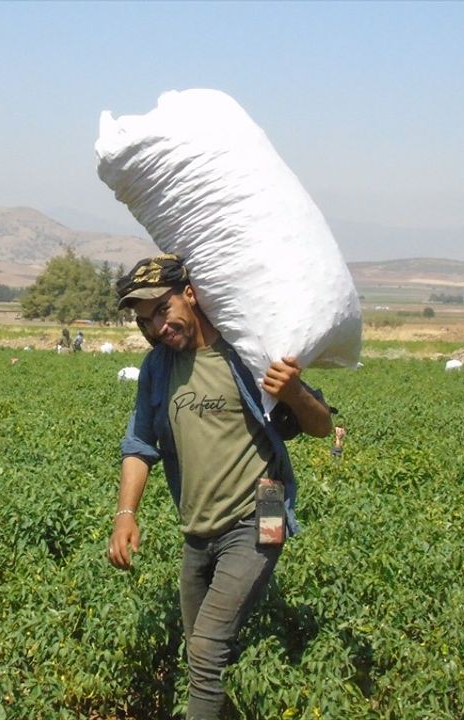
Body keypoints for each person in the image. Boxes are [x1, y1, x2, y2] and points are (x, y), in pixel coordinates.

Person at [106, 254, 333, 719]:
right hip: (197, 528)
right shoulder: (158, 369)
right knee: (202, 653)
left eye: (162, 310)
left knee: (207, 648)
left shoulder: (244, 354)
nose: (157, 327)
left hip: (261, 514)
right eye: (145, 320)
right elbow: (139, 443)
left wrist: (293, 391)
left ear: (190, 294)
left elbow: (321, 425)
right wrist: (125, 514)